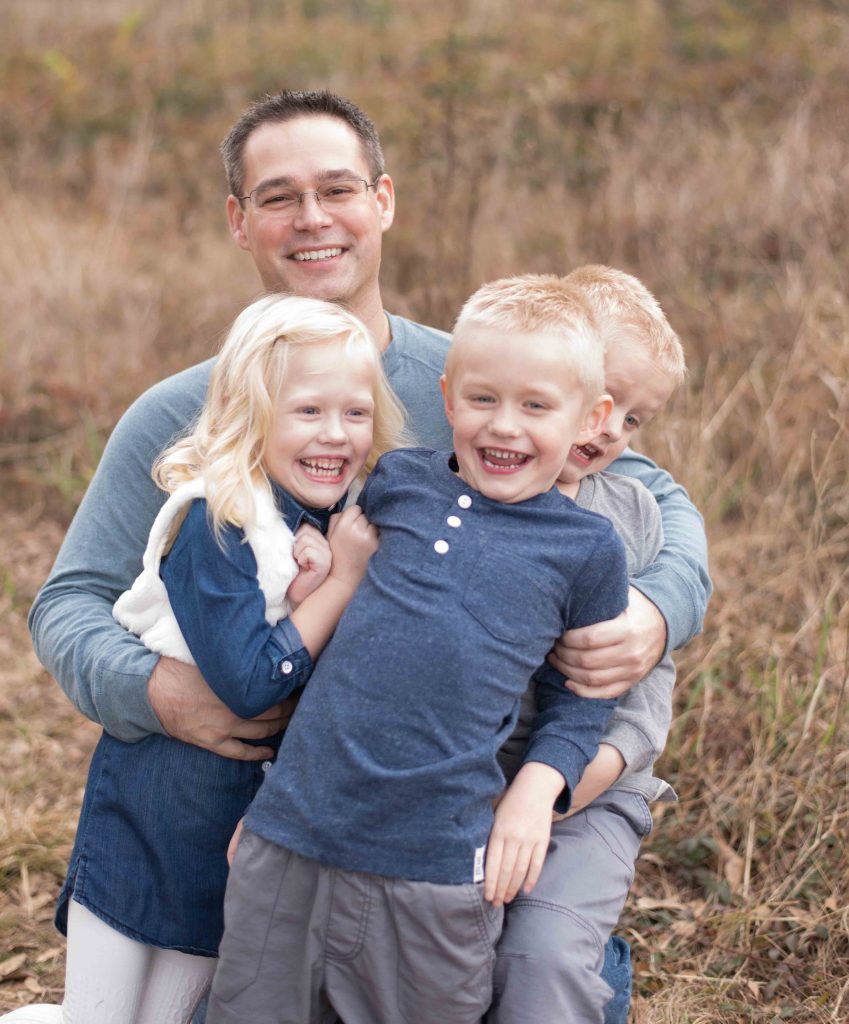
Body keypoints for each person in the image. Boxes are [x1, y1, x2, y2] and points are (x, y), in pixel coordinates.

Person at [24, 90, 710, 1021]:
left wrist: (659, 607)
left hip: (455, 788)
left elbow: (641, 492)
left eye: (337, 188)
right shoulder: (181, 414)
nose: (312, 218)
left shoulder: (469, 373)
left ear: (382, 200)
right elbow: (71, 600)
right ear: (238, 221)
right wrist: (160, 692)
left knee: (495, 968)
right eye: (277, 196)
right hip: (288, 793)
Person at [205, 274, 628, 1024]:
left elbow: (584, 695)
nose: (504, 427)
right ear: (446, 397)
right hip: (292, 837)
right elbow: (333, 641)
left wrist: (537, 789)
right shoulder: (395, 483)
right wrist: (274, 796)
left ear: (590, 417)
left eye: (535, 406)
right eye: (482, 399)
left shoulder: (586, 549)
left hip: (433, 869)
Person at [5, 295, 407, 1024]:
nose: (335, 435)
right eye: (307, 412)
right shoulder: (216, 520)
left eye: (354, 413)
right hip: (150, 817)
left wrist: (320, 578)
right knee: (97, 1017)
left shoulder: (315, 522)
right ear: (250, 416)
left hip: (229, 841)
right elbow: (253, 682)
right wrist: (341, 582)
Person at [489, 265, 688, 1023]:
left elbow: (641, 711)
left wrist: (550, 797)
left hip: (592, 791)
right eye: (604, 397)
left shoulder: (629, 515)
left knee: (541, 958)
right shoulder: (462, 486)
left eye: (633, 420)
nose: (609, 428)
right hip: (463, 779)